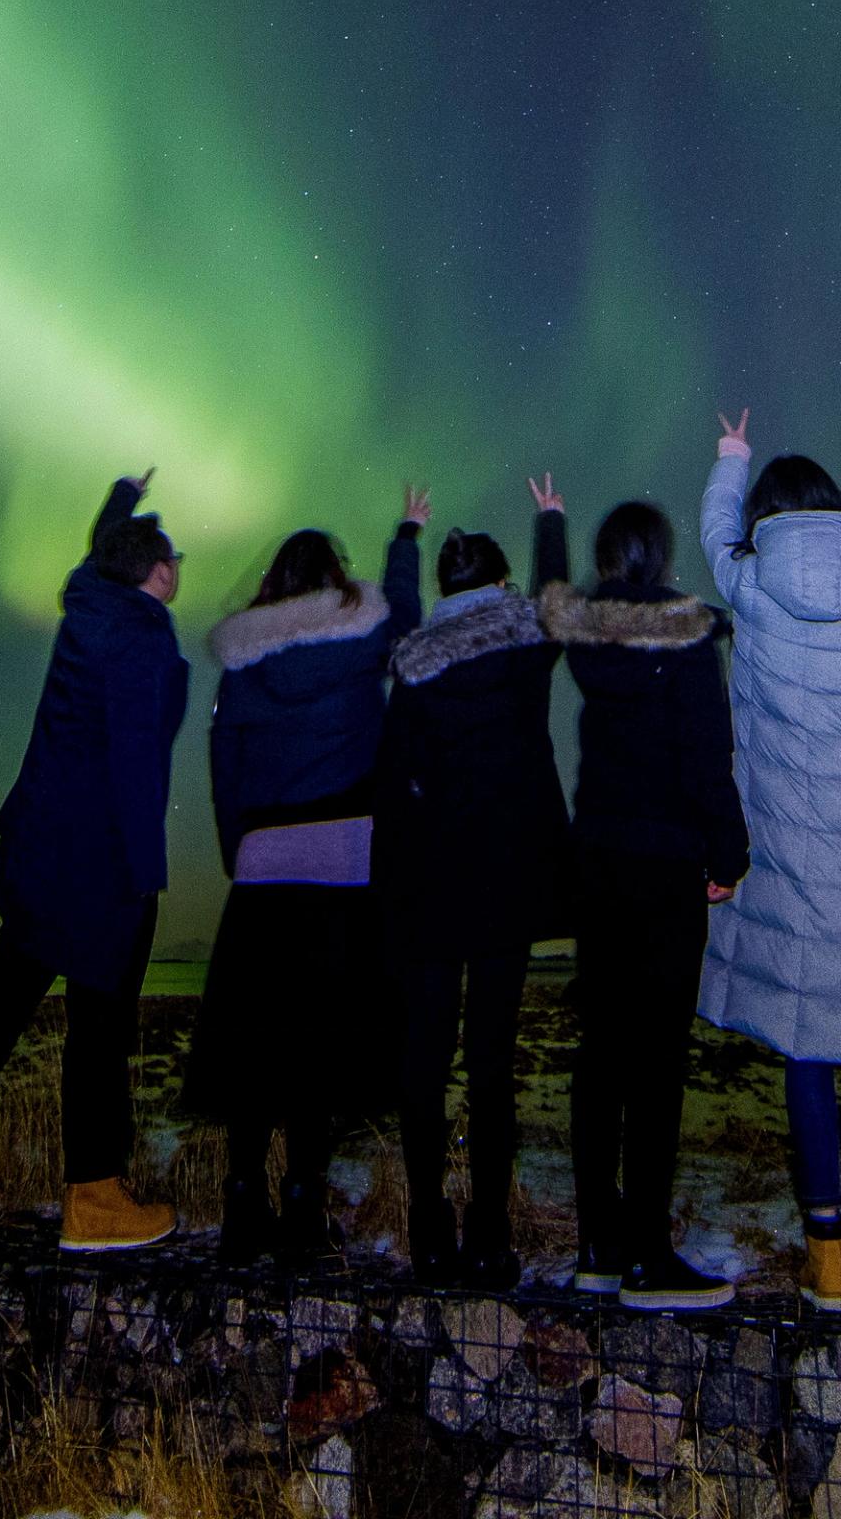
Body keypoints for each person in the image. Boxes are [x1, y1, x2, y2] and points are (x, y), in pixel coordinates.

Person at [0, 472, 191, 1253]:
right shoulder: (141, 635)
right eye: (174, 564)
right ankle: (94, 1199)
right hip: (100, 867)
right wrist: (145, 870)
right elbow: (137, 759)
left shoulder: (89, 605)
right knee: (99, 1033)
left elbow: (101, 555)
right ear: (159, 573)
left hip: (38, 853)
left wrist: (123, 497)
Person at [696, 414, 841, 1317]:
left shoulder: (750, 585)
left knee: (801, 1049)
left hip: (786, 858)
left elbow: (716, 531)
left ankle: (824, 1257)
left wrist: (729, 458)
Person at [185, 496, 426, 1269]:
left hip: (264, 863)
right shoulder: (364, 640)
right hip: (345, 858)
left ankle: (241, 1202)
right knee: (322, 1040)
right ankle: (302, 1206)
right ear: (333, 577)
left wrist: (238, 849)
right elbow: (409, 622)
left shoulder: (245, 661)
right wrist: (406, 540)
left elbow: (225, 761)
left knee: (256, 1035)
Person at [541, 479, 750, 1310]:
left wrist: (551, 521)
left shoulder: (589, 643)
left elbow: (552, 601)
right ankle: (649, 1255)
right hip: (666, 867)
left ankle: (598, 1243)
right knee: (658, 1060)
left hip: (597, 860)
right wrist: (727, 853)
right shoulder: (690, 637)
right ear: (662, 559)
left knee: (599, 1053)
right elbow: (710, 756)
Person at [374, 502, 574, 1287]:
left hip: (430, 888)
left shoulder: (415, 667)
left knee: (424, 1059)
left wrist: (404, 542)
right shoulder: (525, 649)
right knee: (492, 1060)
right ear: (500, 583)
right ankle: (488, 1233)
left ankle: (429, 1229)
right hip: (506, 885)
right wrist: (550, 520)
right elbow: (554, 599)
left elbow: (393, 786)